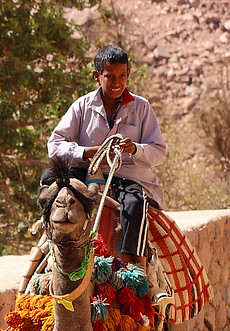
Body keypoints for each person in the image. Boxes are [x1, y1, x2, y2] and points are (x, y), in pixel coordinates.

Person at [41, 44, 167, 280]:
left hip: (126, 176)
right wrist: (87, 152)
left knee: (135, 203)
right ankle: (49, 246)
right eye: (109, 76)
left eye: (122, 76)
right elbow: (54, 145)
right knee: (50, 181)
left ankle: (139, 270)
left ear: (128, 74)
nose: (116, 82)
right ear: (96, 75)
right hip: (85, 171)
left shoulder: (141, 108)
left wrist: (135, 149)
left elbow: (158, 152)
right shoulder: (82, 106)